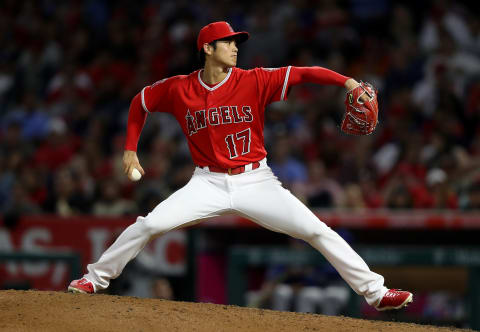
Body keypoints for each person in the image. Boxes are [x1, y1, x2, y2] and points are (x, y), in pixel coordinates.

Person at [68, 21, 413, 311]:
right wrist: (130, 150)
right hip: (206, 184)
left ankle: (377, 293)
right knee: (148, 225)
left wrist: (348, 82)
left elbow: (306, 73)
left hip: (256, 181)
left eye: (236, 42)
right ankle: (93, 278)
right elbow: (139, 102)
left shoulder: (254, 80)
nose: (235, 47)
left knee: (316, 230)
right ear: (207, 48)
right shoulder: (179, 89)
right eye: (228, 43)